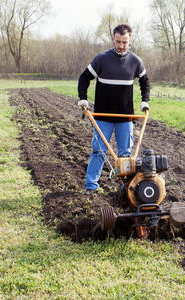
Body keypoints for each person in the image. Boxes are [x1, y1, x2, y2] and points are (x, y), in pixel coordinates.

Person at [77, 24, 150, 193]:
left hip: (125, 117)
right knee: (98, 151)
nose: (121, 45)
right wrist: (83, 98)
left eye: (124, 42)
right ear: (113, 39)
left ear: (129, 40)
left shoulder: (135, 61)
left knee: (125, 155)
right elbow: (84, 77)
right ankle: (91, 187)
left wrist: (145, 101)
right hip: (103, 116)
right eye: (118, 41)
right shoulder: (101, 59)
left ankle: (125, 190)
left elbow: (145, 81)